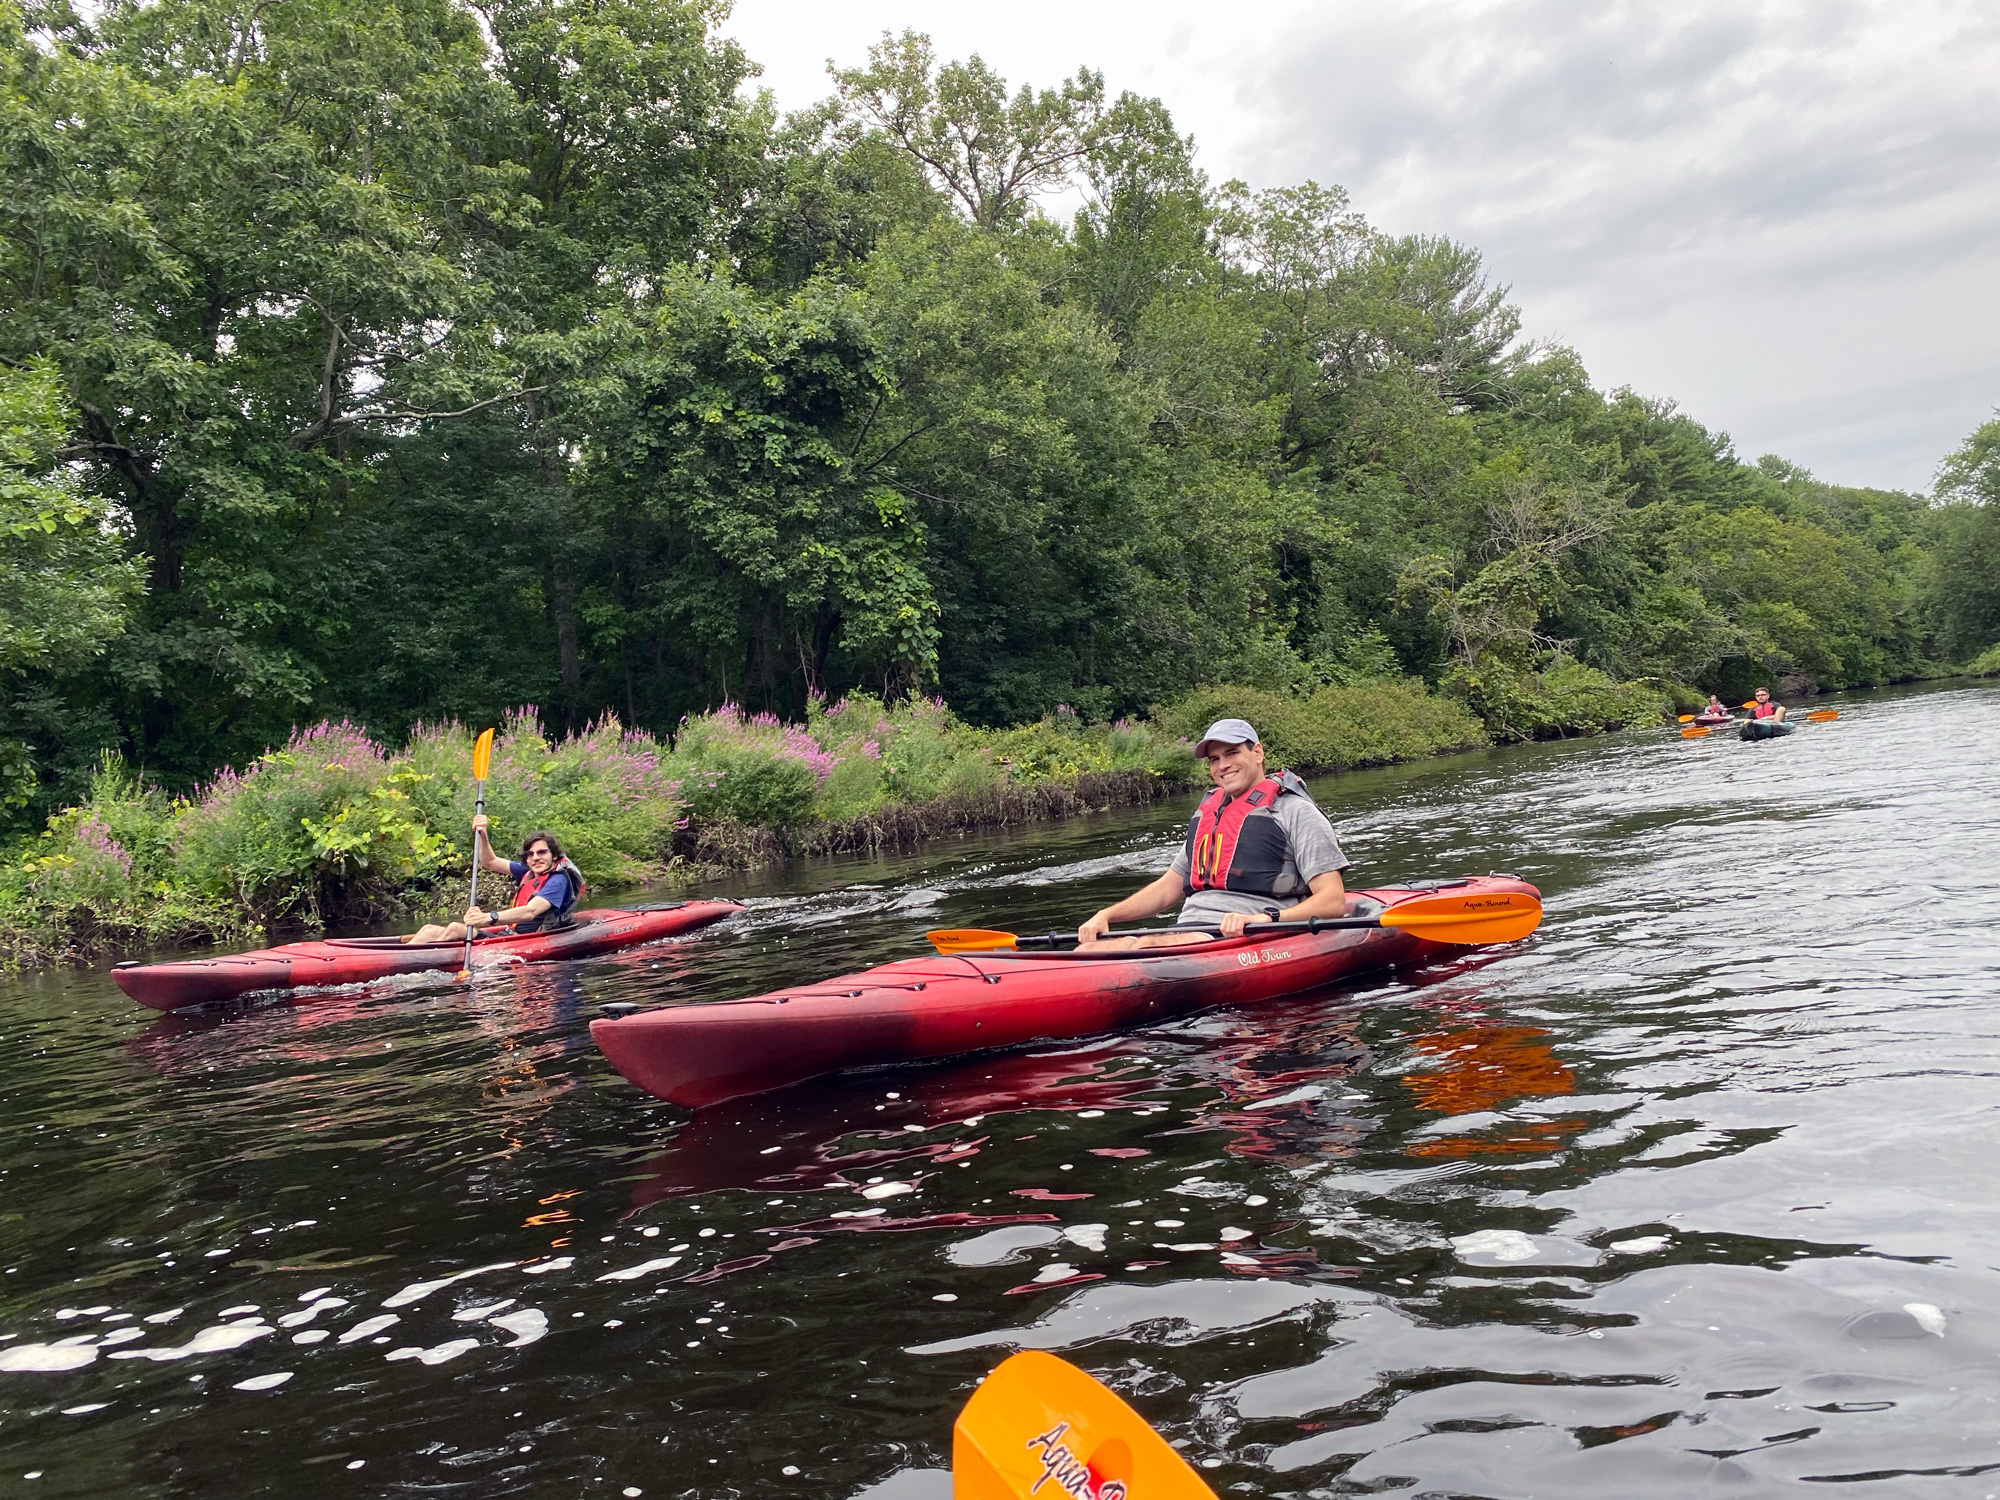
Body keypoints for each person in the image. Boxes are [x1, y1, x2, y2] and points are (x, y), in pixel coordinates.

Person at [1077, 718, 1350, 950]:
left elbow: (1333, 900)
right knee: (1087, 948)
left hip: (1251, 936)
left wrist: (1267, 918)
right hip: (1191, 930)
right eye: (1214, 759)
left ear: (1257, 752)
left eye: (1232, 754)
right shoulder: (1211, 814)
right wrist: (1107, 915)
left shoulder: (1296, 812)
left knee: (1145, 946)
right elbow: (1166, 889)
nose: (1222, 766)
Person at [405, 816, 585, 944]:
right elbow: (489, 862)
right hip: (509, 935)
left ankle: (420, 963)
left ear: (554, 856)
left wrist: (487, 917)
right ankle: (404, 958)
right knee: (428, 929)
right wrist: (483, 835)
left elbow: (530, 912)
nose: (535, 858)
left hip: (528, 941)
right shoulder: (527, 872)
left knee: (454, 928)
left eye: (542, 852)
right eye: (530, 854)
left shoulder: (558, 881)